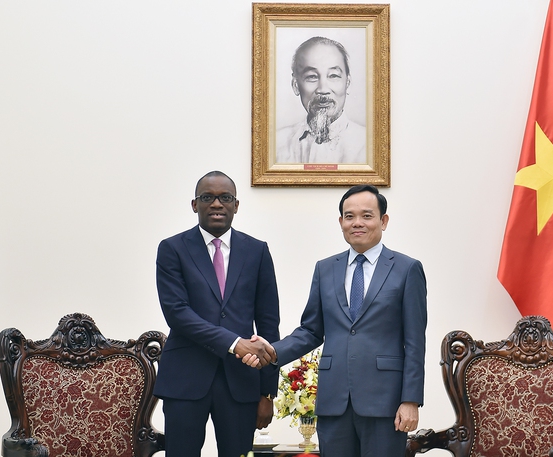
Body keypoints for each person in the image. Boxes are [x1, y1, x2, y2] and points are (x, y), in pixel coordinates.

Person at [243, 185, 427, 457]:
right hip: (334, 401)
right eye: (349, 216)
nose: (357, 223)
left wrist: (410, 400)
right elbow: (310, 331)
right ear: (341, 222)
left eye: (367, 216)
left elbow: (414, 342)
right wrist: (271, 351)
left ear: (383, 221)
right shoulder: (325, 268)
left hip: (385, 402)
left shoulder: (407, 268)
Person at [154, 170, 281, 457]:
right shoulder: (172, 249)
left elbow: (268, 324)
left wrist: (267, 392)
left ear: (236, 205)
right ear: (194, 204)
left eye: (225, 197)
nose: (216, 204)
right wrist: (234, 343)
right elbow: (178, 314)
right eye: (207, 197)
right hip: (185, 380)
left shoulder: (257, 251)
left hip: (241, 382)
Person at [276, 36, 367, 164]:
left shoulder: (368, 145)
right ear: (295, 85)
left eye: (333, 76)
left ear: (348, 83)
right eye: (312, 77)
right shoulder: (277, 144)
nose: (323, 89)